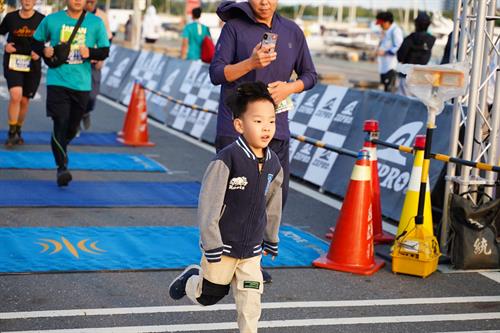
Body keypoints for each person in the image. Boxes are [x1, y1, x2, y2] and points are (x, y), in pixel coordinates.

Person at [209, 0, 317, 284]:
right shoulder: (234, 28)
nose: (264, 2)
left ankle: (250, 260)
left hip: (275, 129)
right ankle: (222, 259)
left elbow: (310, 75)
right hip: (237, 131)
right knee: (232, 200)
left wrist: (289, 87)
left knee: (272, 197)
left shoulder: (292, 31)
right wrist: (251, 63)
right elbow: (217, 74)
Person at [169, 81, 283, 333]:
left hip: (251, 249)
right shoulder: (227, 159)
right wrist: (211, 243)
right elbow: (209, 205)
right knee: (208, 295)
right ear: (240, 125)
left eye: (271, 121)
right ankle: (192, 279)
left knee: (250, 304)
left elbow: (273, 204)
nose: (266, 128)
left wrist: (270, 239)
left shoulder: (274, 163)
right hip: (222, 245)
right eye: (258, 121)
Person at [32, 0, 110, 186]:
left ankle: (61, 149)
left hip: (81, 84)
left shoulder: (95, 23)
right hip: (57, 80)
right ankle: (62, 168)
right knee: (60, 122)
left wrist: (90, 52)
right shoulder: (52, 20)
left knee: (72, 128)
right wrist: (44, 50)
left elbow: (105, 51)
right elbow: (35, 43)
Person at [0, 0, 44, 147]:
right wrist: (5, 45)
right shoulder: (10, 17)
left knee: (24, 100)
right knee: (15, 95)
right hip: (13, 61)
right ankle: (11, 132)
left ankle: (18, 129)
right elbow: (1, 34)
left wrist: (40, 52)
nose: (27, 1)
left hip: (32, 63)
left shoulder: (42, 19)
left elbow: (50, 40)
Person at [80, 0, 112, 131]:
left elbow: (108, 39)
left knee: (92, 96)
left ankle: (85, 112)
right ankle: (75, 122)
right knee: (77, 94)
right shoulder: (76, 14)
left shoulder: (101, 17)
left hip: (94, 61)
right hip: (77, 61)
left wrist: (101, 59)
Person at [397, 11, 436, 96]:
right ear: (428, 25)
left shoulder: (409, 38)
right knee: (419, 104)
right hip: (422, 76)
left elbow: (400, 56)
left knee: (404, 103)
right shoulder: (431, 40)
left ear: (416, 24)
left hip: (407, 75)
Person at [375, 11, 403, 93]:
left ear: (387, 22)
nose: (380, 26)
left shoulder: (395, 30)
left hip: (391, 66)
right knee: (384, 88)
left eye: (381, 24)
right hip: (383, 65)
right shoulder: (386, 31)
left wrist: (385, 52)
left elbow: (399, 46)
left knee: (389, 89)